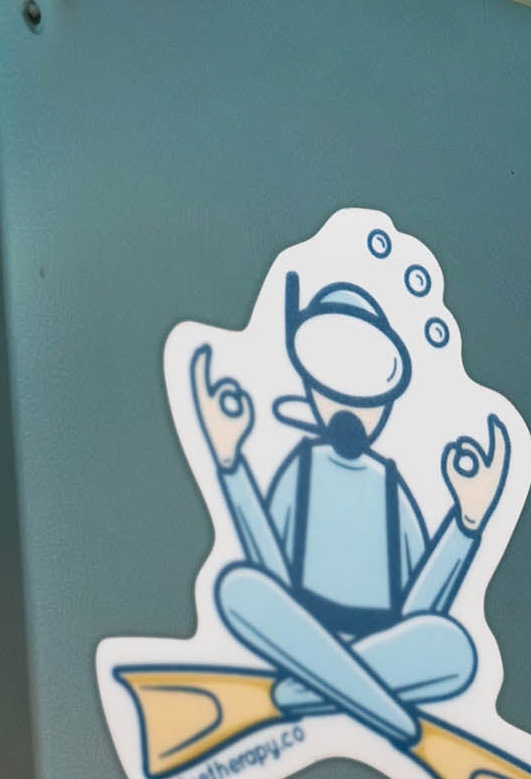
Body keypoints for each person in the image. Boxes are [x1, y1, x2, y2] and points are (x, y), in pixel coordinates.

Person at [189, 277, 509, 746]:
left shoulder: (391, 488)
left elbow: (418, 610)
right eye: (334, 381)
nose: (349, 405)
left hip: (372, 642)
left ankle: (299, 692)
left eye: (365, 387)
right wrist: (229, 459)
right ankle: (388, 714)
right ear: (312, 386)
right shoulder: (300, 470)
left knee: (455, 648)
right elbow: (268, 569)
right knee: (240, 588)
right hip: (296, 626)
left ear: (386, 399)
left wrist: (468, 521)